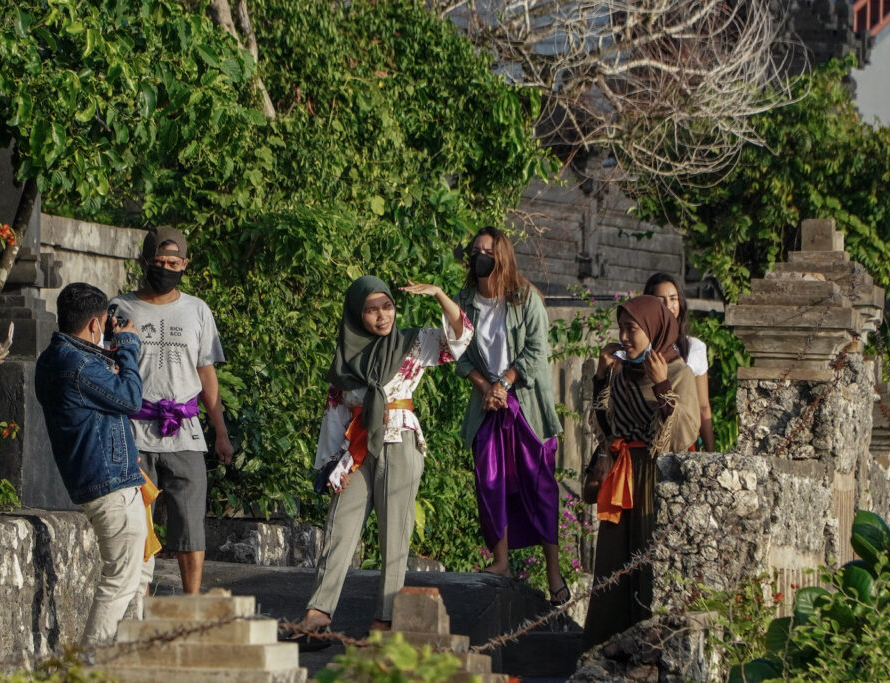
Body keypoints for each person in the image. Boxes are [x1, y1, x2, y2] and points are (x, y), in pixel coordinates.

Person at [289, 275, 472, 650]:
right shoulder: (346, 355)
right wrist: (329, 465)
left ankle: (386, 620)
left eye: (386, 306)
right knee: (339, 526)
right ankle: (318, 615)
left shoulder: (411, 343)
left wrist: (438, 294)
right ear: (357, 314)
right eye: (371, 310)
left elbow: (460, 338)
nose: (381, 316)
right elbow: (335, 412)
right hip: (355, 447)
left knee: (395, 533)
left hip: (398, 438)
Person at [110, 226, 233, 595]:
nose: (166, 268)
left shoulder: (197, 310)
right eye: (159, 262)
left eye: (173, 262)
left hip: (184, 430)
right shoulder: (120, 308)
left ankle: (192, 602)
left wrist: (221, 433)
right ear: (145, 262)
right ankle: (138, 601)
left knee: (190, 521)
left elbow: (206, 373)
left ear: (185, 263)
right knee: (136, 522)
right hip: (134, 430)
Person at [454, 226, 567, 605]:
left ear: (502, 254)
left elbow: (536, 350)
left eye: (487, 250)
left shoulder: (524, 297)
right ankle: (500, 560)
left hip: (525, 404)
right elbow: (460, 354)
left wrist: (505, 382)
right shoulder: (465, 301)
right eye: (475, 251)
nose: (480, 256)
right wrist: (487, 389)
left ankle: (554, 574)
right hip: (488, 405)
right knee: (490, 481)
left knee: (539, 486)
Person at [34, 282, 150, 647]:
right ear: (96, 325)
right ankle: (87, 666)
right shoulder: (80, 365)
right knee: (119, 582)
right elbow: (131, 398)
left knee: (136, 576)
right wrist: (128, 348)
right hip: (111, 485)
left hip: (103, 480)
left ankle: (122, 663)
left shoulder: (53, 359)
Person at [582, 295, 700, 649]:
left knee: (650, 562)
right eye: (621, 328)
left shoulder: (678, 373)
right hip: (622, 477)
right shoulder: (621, 375)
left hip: (654, 480)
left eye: (632, 328)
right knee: (613, 564)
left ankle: (649, 649)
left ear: (653, 329)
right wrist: (602, 377)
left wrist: (663, 386)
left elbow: (682, 434)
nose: (624, 336)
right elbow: (607, 427)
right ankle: (607, 651)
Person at [644, 273, 715, 452]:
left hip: (682, 441)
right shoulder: (640, 347)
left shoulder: (694, 348)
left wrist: (710, 453)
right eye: (661, 300)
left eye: (673, 299)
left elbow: (703, 406)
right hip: (645, 441)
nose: (668, 306)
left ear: (680, 303)